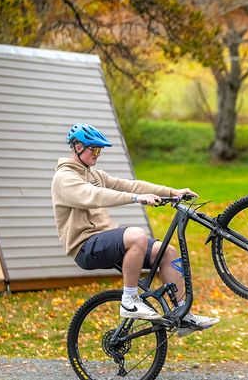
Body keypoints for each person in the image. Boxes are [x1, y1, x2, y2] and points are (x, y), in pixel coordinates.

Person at [51, 123, 219, 336]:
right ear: (77, 147)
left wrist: (171, 191)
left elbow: (131, 185)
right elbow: (95, 196)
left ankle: (182, 314)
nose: (97, 154)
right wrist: (136, 199)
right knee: (136, 236)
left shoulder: (95, 174)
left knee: (167, 251)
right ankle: (129, 300)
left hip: (103, 237)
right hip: (84, 245)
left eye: (99, 150)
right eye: (94, 149)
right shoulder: (64, 178)